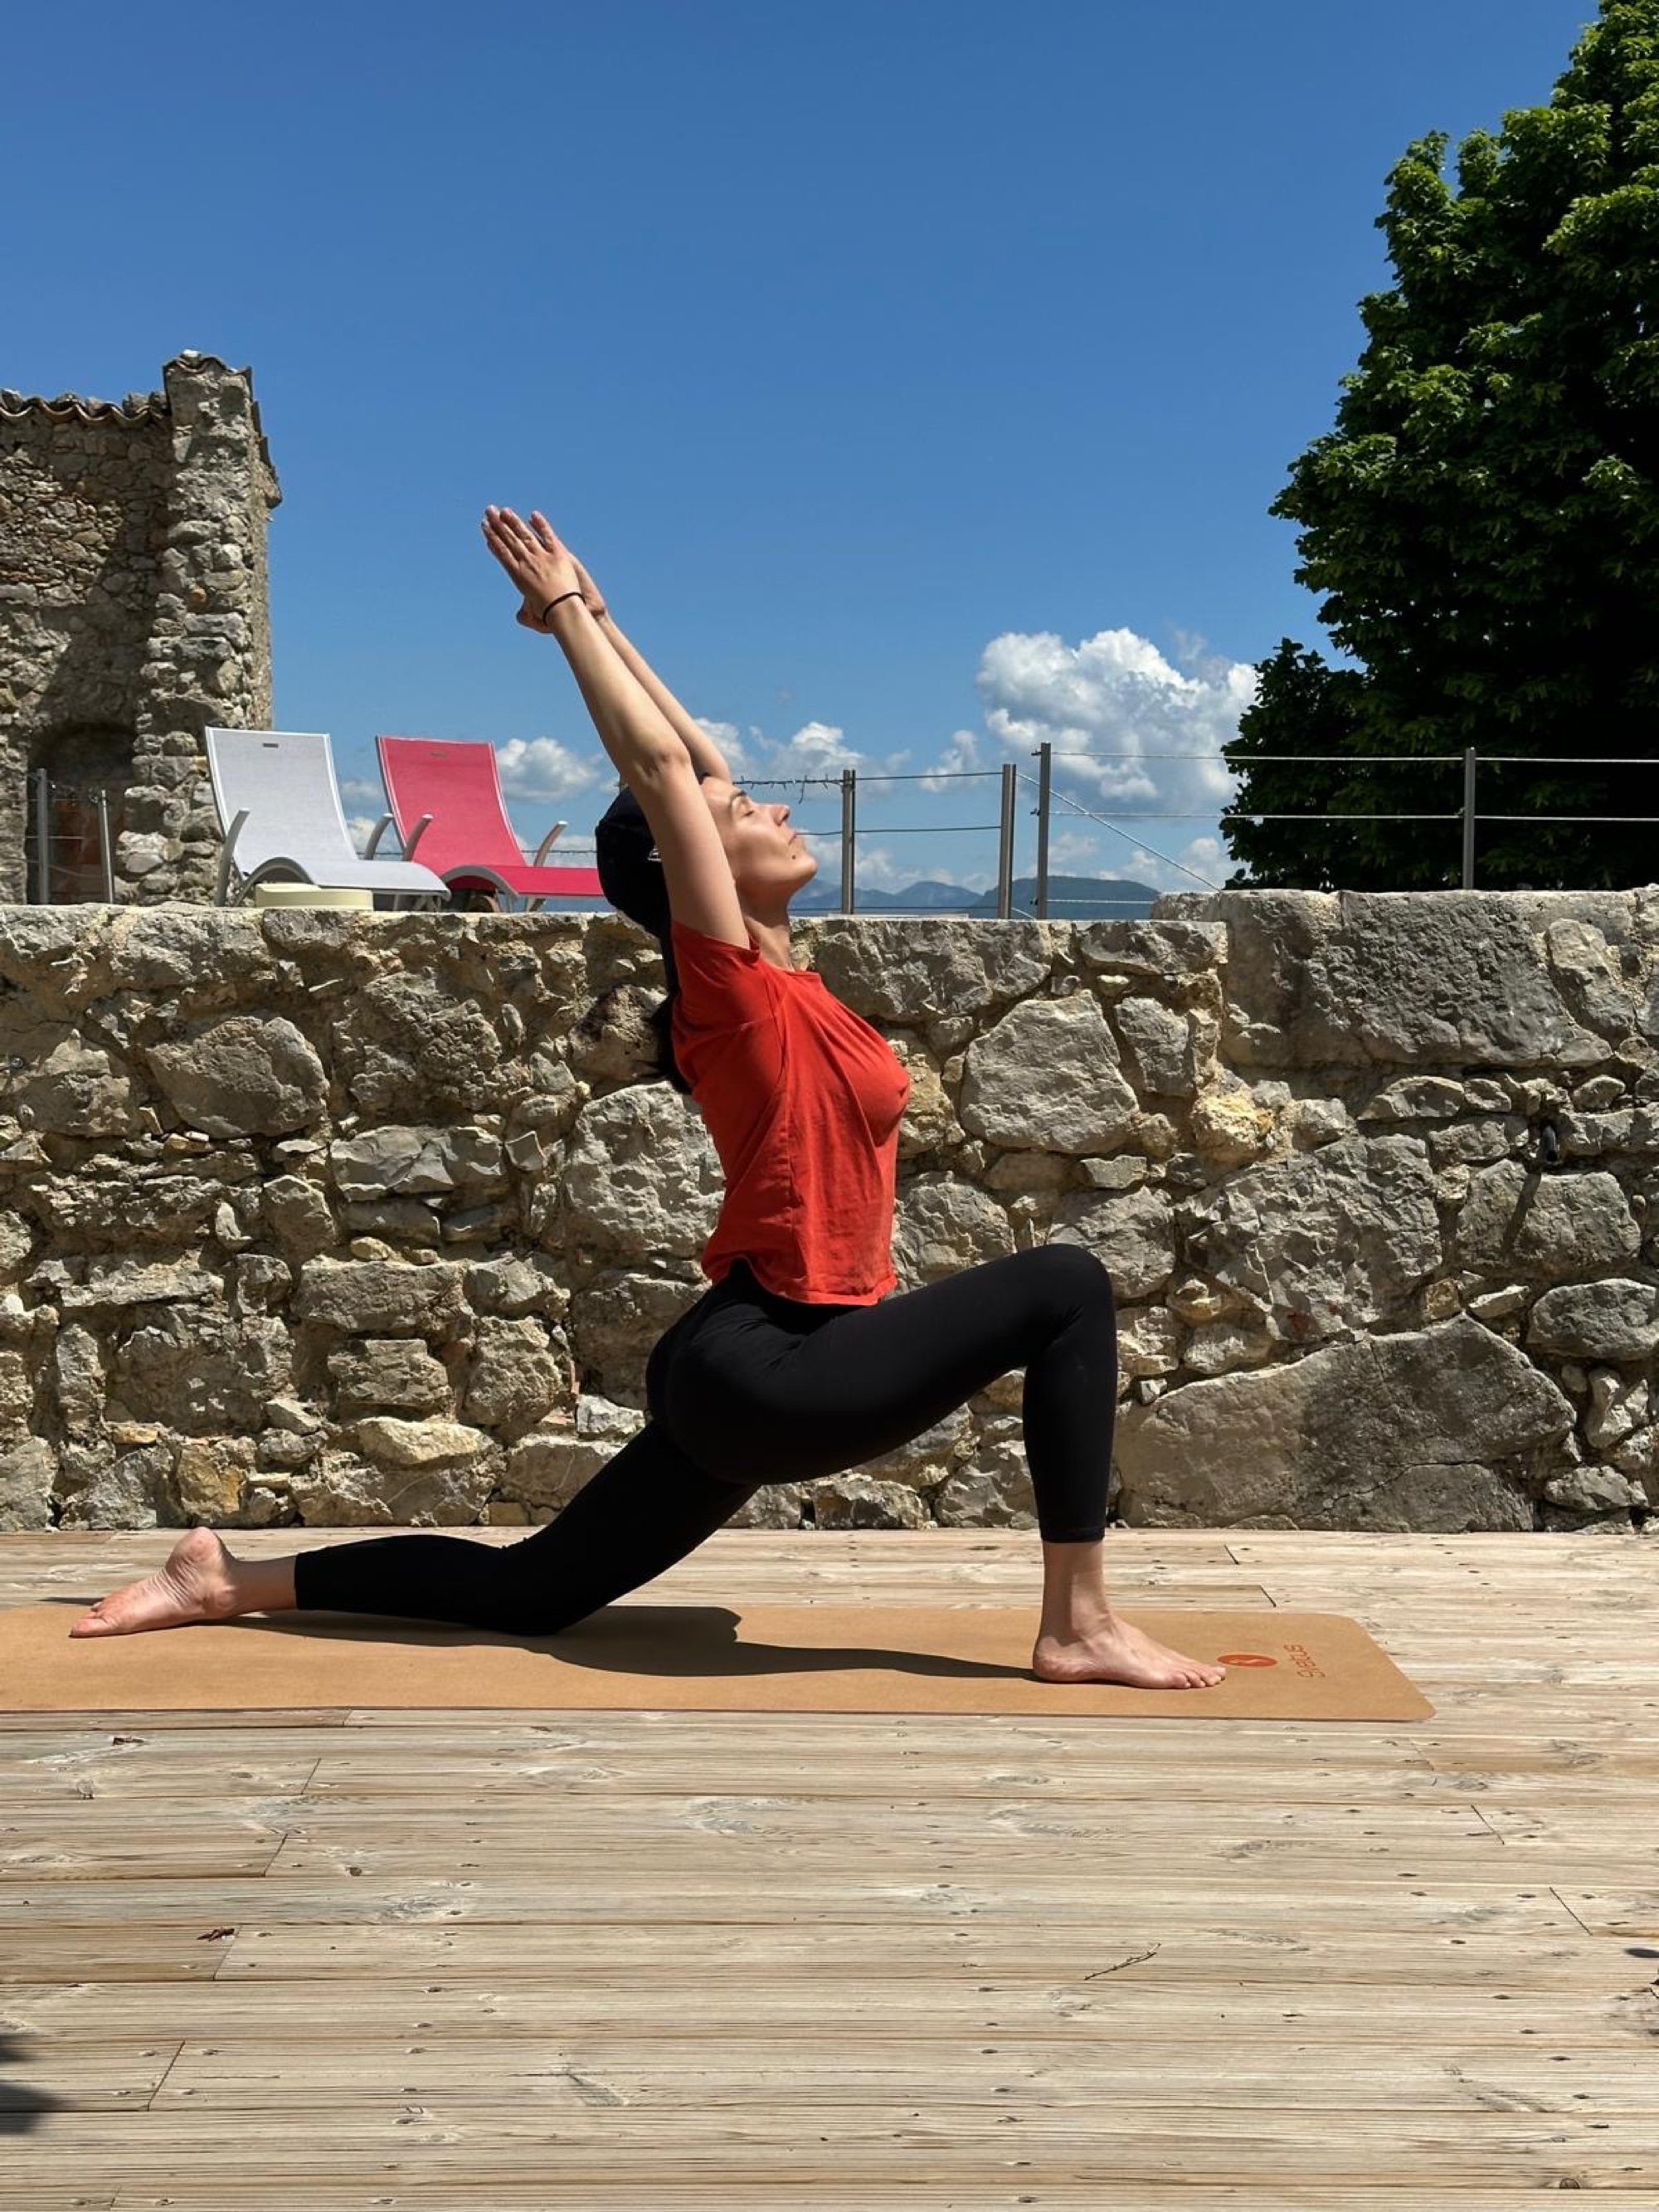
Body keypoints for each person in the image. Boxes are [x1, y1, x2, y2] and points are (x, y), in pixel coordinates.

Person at [70, 507, 1224, 1692]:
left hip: (753, 1359)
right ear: (688, 871)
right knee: (1067, 1286)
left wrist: (609, 621)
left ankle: (226, 1579)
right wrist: (567, 613)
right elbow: (668, 775)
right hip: (768, 1366)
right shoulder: (729, 994)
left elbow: (697, 764)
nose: (771, 807)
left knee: (536, 1590)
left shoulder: (787, 982)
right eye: (743, 819)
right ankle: (1078, 1623)